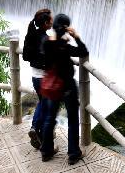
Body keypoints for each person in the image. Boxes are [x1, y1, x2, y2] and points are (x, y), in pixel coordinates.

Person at [40, 13, 88, 164]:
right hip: (67, 87)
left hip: (52, 87)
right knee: (73, 119)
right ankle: (73, 153)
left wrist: (60, 36)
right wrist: (76, 37)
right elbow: (83, 51)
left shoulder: (46, 43)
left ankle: (46, 151)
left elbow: (47, 53)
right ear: (66, 28)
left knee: (49, 118)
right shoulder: (65, 47)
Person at [22, 8, 53, 149]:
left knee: (42, 103)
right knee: (48, 109)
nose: (53, 21)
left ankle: (35, 130)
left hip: (35, 77)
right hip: (45, 79)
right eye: (51, 20)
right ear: (46, 23)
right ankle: (45, 143)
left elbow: (26, 56)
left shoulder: (32, 35)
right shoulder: (46, 39)